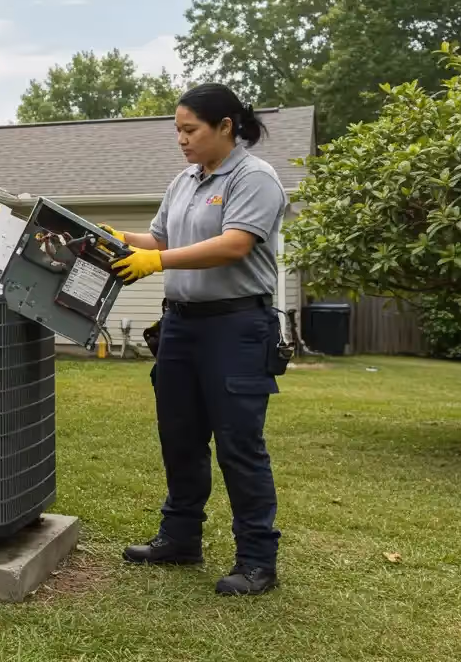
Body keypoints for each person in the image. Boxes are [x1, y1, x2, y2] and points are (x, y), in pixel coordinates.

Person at [104, 83, 288, 596]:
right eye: (178, 131)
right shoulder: (184, 180)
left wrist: (156, 260)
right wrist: (117, 238)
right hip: (181, 325)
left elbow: (234, 244)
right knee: (179, 436)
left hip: (235, 326)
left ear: (225, 126)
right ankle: (180, 538)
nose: (181, 140)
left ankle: (257, 560)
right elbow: (159, 240)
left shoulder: (255, 177)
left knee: (238, 444)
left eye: (191, 130)